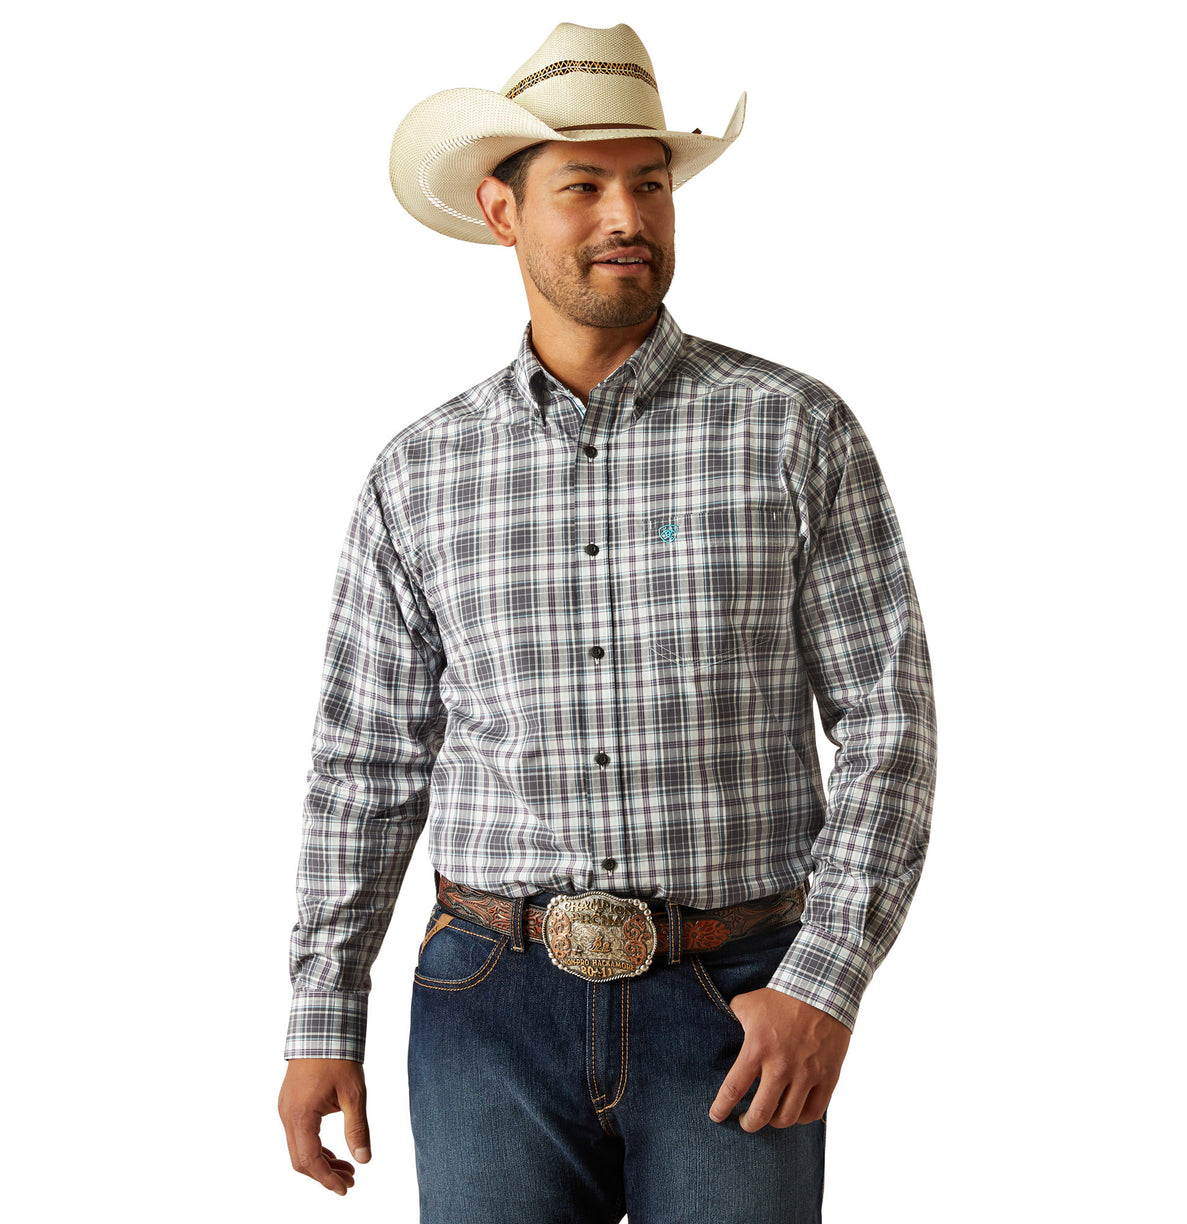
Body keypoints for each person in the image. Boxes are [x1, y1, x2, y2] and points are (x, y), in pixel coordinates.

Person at [277, 21, 936, 1223]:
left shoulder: (795, 433)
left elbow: (890, 725)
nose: (626, 214)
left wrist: (825, 984)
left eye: (649, 182)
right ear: (501, 211)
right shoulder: (417, 473)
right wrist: (322, 1017)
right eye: (581, 186)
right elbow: (364, 766)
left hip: (740, 999)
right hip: (487, 1004)